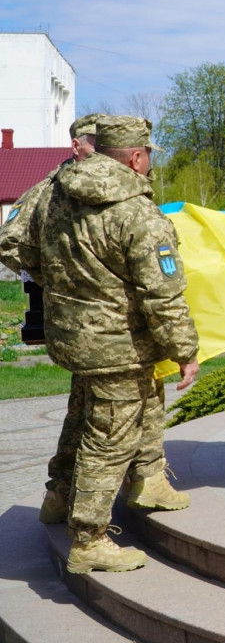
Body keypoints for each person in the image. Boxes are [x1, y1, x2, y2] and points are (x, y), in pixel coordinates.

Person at [20, 115, 200, 573]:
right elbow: (164, 294)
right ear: (136, 157)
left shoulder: (54, 192)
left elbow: (12, 241)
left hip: (73, 336)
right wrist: (185, 350)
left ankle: (58, 498)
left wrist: (56, 283)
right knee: (109, 438)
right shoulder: (138, 212)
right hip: (118, 344)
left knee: (82, 416)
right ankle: (89, 539)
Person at [0, 113, 103, 524]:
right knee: (92, 412)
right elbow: (9, 239)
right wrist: (52, 275)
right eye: (95, 142)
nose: (101, 149)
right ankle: (69, 499)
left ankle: (62, 495)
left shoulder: (112, 187)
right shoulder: (48, 188)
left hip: (106, 322)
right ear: (76, 145)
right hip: (77, 322)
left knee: (86, 408)